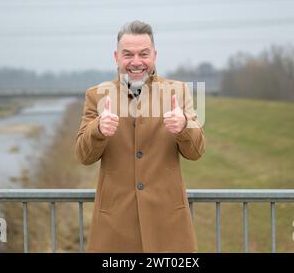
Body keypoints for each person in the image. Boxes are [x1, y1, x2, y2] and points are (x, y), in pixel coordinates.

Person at [74, 20, 205, 252]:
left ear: (154, 55)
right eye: (128, 55)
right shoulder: (96, 95)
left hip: (169, 227)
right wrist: (98, 129)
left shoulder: (179, 91)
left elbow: (196, 152)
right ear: (116, 57)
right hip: (114, 228)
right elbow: (83, 156)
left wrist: (184, 126)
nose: (136, 62)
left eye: (144, 54)